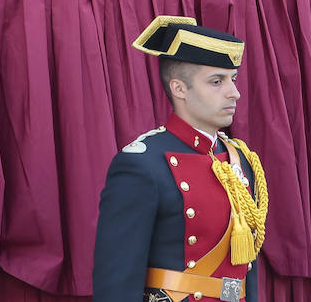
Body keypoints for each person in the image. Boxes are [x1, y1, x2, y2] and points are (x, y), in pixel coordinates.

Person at [93, 16, 268, 302]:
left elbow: (246, 268)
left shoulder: (238, 158)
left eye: (233, 79)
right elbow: (117, 283)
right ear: (179, 89)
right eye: (216, 81)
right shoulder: (142, 165)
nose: (234, 93)